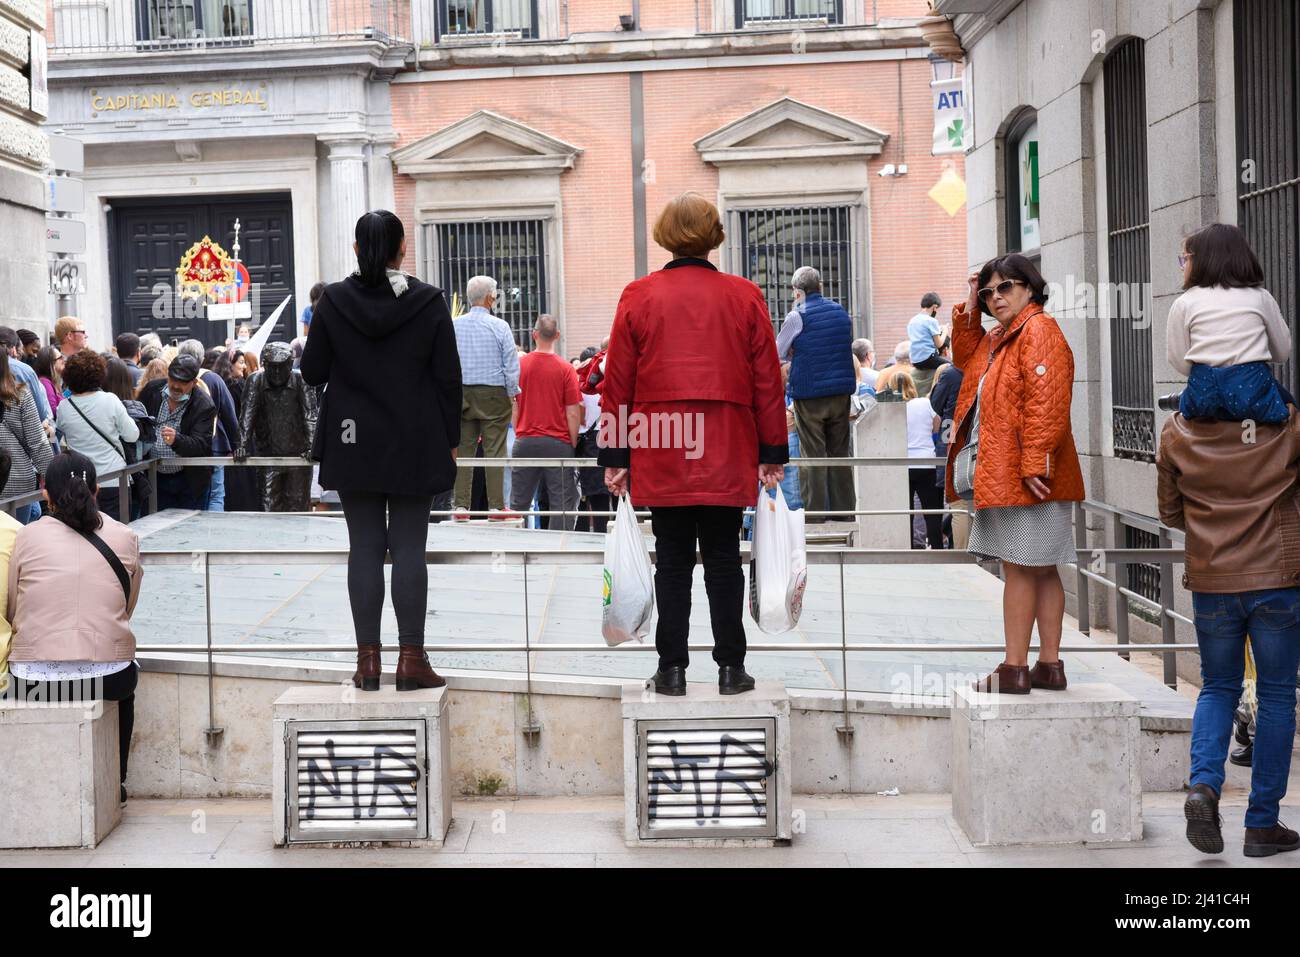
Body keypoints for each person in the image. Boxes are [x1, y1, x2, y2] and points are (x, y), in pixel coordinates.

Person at [598, 192, 787, 697]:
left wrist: (615, 456)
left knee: (673, 559)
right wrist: (772, 451)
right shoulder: (745, 294)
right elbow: (768, 379)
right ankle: (731, 668)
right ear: (713, 236)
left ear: (664, 234)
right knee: (724, 556)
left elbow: (617, 382)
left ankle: (672, 669)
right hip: (727, 441)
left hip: (661, 441)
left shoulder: (638, 295)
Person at [301, 209, 462, 692]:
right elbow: (448, 378)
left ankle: (367, 661)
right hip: (416, 437)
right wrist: (450, 440)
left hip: (352, 439)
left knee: (364, 547)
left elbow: (311, 371)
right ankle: (411, 658)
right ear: (401, 250)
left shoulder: (333, 301)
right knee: (411, 546)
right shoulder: (429, 301)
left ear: (355, 249)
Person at [945, 254, 1085, 695]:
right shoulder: (1004, 336)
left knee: (1023, 569)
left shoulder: (1037, 331)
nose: (995, 297)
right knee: (1039, 569)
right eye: (989, 291)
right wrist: (970, 303)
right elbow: (965, 355)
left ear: (1029, 286)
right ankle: (1047, 666)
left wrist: (1034, 463)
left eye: (1005, 287)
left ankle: (1015, 668)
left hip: (1029, 475)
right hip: (1018, 473)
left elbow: (1048, 401)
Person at [4, 451, 143, 807]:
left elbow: (13, 608)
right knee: (126, 680)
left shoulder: (27, 537)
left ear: (44, 493)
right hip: (108, 677)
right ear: (97, 489)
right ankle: (116, 782)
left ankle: (36, 785)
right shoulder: (125, 536)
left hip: (35, 682)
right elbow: (127, 607)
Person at [1166, 223, 1293, 423]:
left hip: (1204, 395)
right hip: (1253, 393)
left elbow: (1178, 361)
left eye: (1185, 259)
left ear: (1201, 261)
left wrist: (1213, 369)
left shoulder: (1184, 303)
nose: (1183, 266)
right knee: (1291, 413)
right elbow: (1282, 353)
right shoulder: (1260, 297)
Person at [774, 265, 856, 522]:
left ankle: (816, 515)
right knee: (840, 454)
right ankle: (845, 514)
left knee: (813, 455)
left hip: (810, 394)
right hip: (841, 393)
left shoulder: (797, 315)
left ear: (798, 292)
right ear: (819, 287)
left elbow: (778, 351)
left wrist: (794, 354)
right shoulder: (840, 311)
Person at [451, 275, 519, 519]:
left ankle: (460, 506)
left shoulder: (455, 325)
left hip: (462, 392)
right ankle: (496, 506)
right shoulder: (500, 326)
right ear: (491, 297)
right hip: (493, 393)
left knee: (463, 448)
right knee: (495, 449)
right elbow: (511, 365)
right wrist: (512, 393)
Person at [509, 316, 582, 530]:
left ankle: (516, 549)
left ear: (534, 334)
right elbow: (573, 412)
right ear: (557, 336)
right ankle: (558, 551)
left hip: (525, 441)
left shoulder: (520, 366)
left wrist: (520, 430)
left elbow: (514, 405)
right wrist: (572, 441)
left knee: (518, 502)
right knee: (562, 503)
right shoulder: (566, 369)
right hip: (558, 442)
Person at [55, 351, 140, 523]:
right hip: (115, 479)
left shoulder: (64, 407)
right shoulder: (110, 400)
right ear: (99, 374)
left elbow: (61, 433)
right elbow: (132, 435)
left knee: (86, 535)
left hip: (81, 482)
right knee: (117, 532)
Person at [138, 355, 217, 511]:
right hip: (155, 477)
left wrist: (177, 440)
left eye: (183, 382)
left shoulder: (204, 404)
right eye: (173, 379)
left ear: (194, 383)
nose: (176, 386)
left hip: (187, 481)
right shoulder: (152, 390)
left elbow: (201, 445)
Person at [178, 339, 240, 512]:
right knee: (215, 494)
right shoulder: (212, 378)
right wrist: (237, 445)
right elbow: (229, 415)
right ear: (202, 357)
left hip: (183, 445)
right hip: (213, 445)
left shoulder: (173, 379)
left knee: (191, 494)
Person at [892, 370, 945, 550]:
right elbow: (937, 425)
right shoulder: (924, 403)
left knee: (907, 511)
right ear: (912, 385)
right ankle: (937, 548)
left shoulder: (891, 408)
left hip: (902, 464)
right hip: (926, 462)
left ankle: (908, 549)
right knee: (931, 510)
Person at [0, 351, 53, 524]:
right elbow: (37, 443)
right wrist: (54, 480)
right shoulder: (19, 395)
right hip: (16, 477)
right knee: (15, 539)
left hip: (13, 477)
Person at [928, 359, 969, 549]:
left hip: (952, 435)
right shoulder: (988, 364)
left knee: (958, 503)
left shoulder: (951, 374)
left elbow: (935, 404)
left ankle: (962, 556)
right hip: (982, 436)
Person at [0, 327, 53, 428]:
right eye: (33, 350)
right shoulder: (25, 371)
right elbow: (41, 414)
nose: (36, 356)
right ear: (14, 348)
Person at [907, 292, 946, 370]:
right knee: (952, 368)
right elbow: (939, 344)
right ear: (935, 307)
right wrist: (945, 330)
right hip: (928, 358)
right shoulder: (931, 321)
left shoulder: (912, 321)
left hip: (914, 360)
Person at [32, 346, 62, 417]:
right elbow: (53, 411)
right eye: (60, 358)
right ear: (51, 363)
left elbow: (61, 397)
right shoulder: (45, 383)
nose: (63, 360)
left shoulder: (53, 380)